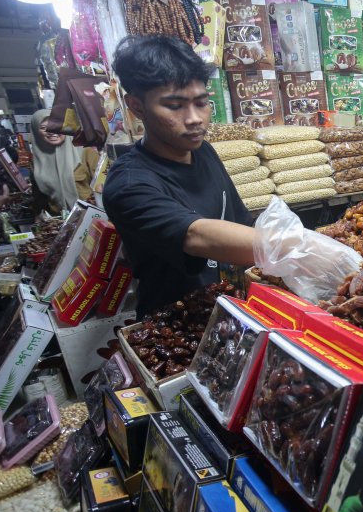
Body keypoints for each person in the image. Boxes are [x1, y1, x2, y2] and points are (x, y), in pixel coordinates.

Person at [104, 36, 256, 317]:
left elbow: (241, 221)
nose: (194, 118)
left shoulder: (204, 152)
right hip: (175, 328)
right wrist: (295, 247)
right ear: (136, 106)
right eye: (175, 106)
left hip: (231, 312)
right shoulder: (128, 183)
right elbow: (196, 235)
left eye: (201, 103)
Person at [29, 110, 82, 214]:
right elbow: (39, 197)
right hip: (58, 221)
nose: (52, 131)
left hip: (92, 218)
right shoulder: (36, 163)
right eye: (44, 128)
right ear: (36, 131)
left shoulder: (86, 153)